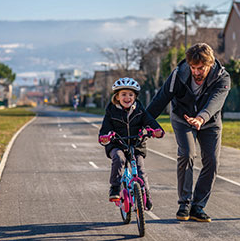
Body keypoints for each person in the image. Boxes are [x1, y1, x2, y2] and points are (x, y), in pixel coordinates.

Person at [146, 43, 231, 222]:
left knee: (212, 161)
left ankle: (198, 206)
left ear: (210, 64)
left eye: (201, 68)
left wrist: (201, 118)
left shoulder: (222, 77)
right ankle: (184, 203)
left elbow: (215, 102)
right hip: (182, 119)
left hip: (209, 122)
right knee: (186, 154)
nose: (196, 72)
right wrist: (144, 123)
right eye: (193, 67)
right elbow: (161, 99)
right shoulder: (179, 74)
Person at [98, 77, 164, 211]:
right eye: (123, 94)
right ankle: (115, 188)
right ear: (117, 97)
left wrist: (157, 130)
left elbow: (149, 121)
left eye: (130, 95)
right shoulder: (111, 110)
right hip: (117, 144)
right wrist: (105, 137)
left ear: (135, 97)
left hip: (136, 144)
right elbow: (105, 127)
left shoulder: (139, 109)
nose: (127, 98)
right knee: (119, 158)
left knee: (140, 169)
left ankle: (146, 194)